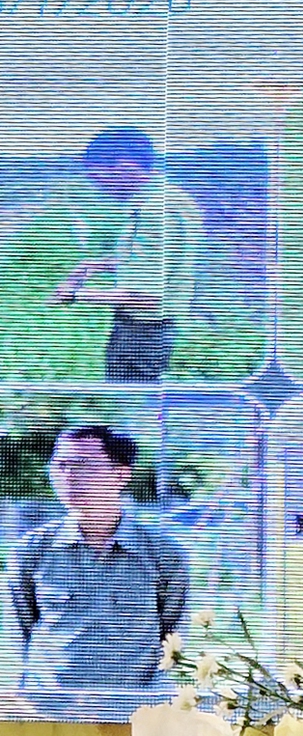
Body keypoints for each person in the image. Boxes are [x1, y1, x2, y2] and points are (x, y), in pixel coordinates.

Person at [6, 426, 189, 690]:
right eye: (60, 466)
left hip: (135, 706)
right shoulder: (31, 551)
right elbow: (18, 635)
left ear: (121, 475)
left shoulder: (163, 554)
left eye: (82, 466)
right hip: (49, 705)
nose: (68, 477)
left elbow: (174, 639)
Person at [48, 128, 202, 383]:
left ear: (124, 166)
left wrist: (74, 295)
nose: (100, 188)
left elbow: (146, 298)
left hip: (143, 332)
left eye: (98, 178)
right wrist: (97, 265)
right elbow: (160, 263)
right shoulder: (173, 198)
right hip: (155, 328)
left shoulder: (154, 212)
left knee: (129, 398)